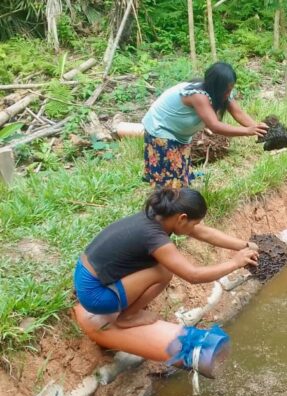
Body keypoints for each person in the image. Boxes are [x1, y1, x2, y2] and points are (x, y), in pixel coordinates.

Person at [73, 187, 259, 328]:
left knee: (159, 267)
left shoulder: (158, 216)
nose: (197, 227)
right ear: (182, 218)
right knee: (164, 272)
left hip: (86, 274)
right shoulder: (153, 237)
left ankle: (126, 302)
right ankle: (128, 317)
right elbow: (193, 275)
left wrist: (244, 245)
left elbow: (205, 234)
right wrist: (235, 262)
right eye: (195, 222)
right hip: (94, 295)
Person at [142, 61, 268, 188]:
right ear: (216, 87)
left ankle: (177, 192)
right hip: (161, 127)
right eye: (226, 91)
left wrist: (258, 129)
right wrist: (247, 131)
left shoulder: (223, 94)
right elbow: (214, 126)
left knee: (179, 173)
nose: (228, 94)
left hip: (180, 135)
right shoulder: (198, 95)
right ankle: (166, 200)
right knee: (168, 179)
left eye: (230, 90)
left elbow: (238, 112)